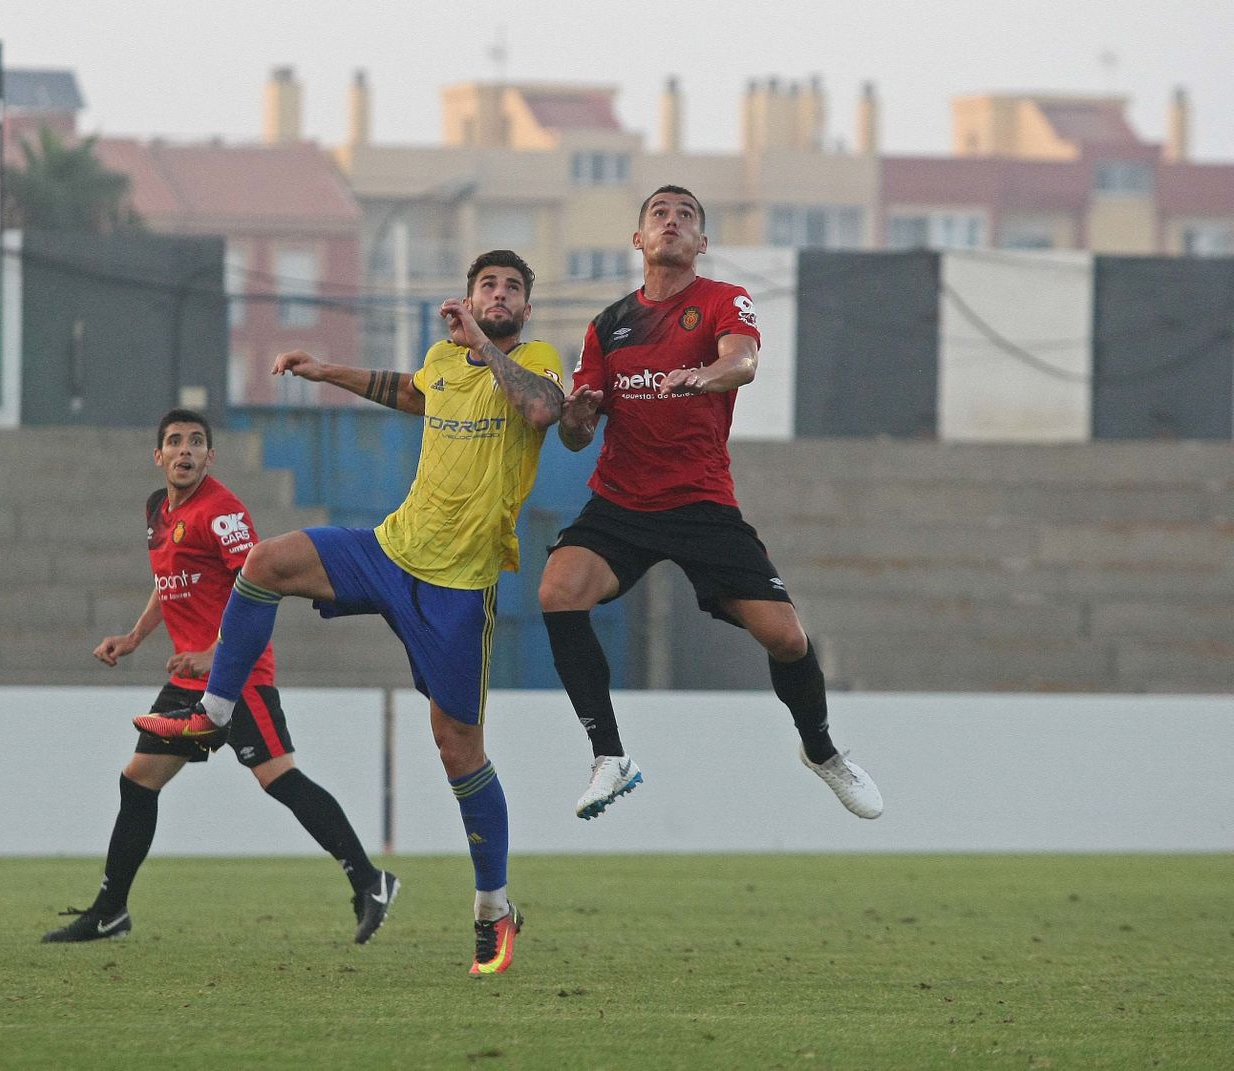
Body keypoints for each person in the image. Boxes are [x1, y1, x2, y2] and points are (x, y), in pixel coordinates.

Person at [135, 251, 565, 975]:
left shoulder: (534, 360)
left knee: (458, 748)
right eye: (487, 285)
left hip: (460, 586)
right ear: (468, 297)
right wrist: (325, 371)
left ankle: (493, 908)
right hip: (391, 551)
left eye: (512, 288)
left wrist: (484, 347)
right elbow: (411, 391)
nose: (499, 294)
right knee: (265, 562)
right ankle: (212, 712)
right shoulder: (444, 360)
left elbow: (542, 410)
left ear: (525, 307)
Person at [539, 185, 884, 822]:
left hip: (701, 502)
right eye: (659, 214)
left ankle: (822, 751)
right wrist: (578, 417)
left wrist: (701, 376)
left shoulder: (723, 300)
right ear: (639, 239)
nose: (672, 222)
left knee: (786, 639)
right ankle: (609, 756)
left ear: (702, 242)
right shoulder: (607, 326)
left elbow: (743, 362)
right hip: (620, 501)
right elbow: (576, 435)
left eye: (686, 216)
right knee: (557, 591)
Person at [42, 409, 399, 945]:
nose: (184, 450)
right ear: (158, 456)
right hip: (190, 678)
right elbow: (170, 580)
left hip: (237, 673)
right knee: (138, 781)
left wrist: (217, 653)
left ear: (210, 456)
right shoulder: (157, 509)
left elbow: (260, 586)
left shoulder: (224, 512)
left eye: (195, 442)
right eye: (174, 442)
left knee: (279, 778)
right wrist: (135, 637)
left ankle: (370, 880)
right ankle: (110, 912)